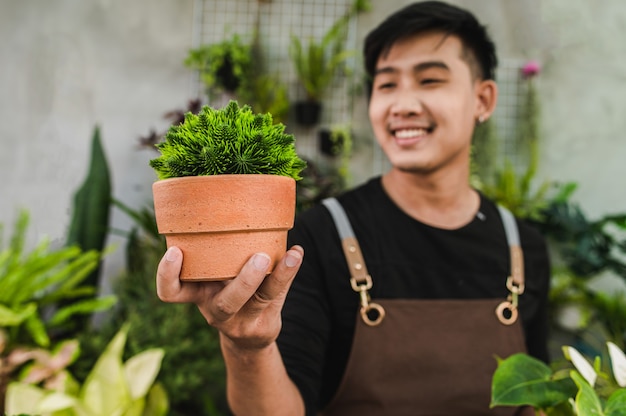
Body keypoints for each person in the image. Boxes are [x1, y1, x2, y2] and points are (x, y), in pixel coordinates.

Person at [156, 1, 550, 415]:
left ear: (484, 100)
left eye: (430, 80)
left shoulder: (524, 249)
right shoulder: (319, 236)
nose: (402, 105)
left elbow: (534, 400)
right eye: (386, 85)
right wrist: (247, 345)